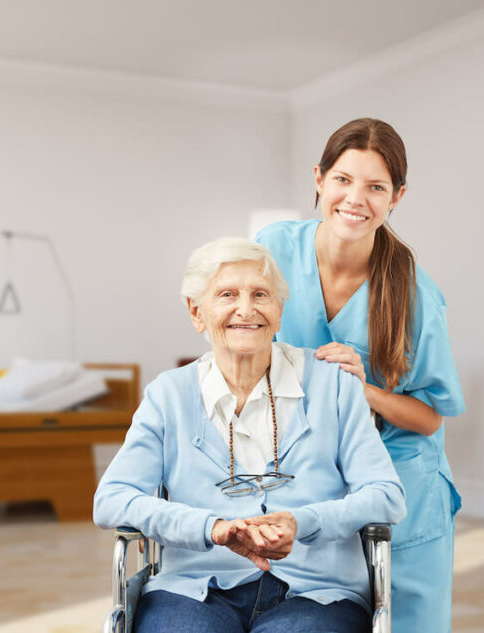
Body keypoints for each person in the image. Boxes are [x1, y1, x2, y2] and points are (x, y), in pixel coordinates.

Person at [93, 237, 405, 633]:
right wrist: (211, 527)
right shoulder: (167, 395)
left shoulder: (334, 385)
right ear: (196, 312)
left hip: (317, 592)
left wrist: (303, 521)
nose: (246, 309)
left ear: (278, 311)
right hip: (193, 589)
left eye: (261, 294)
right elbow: (111, 500)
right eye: (227, 295)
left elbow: (386, 495)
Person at [255, 117, 465, 633]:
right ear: (319, 179)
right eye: (344, 180)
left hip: (402, 484)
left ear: (397, 197)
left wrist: (365, 388)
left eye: (376, 187)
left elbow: (431, 418)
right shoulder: (273, 249)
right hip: (314, 475)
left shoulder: (413, 293)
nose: (356, 199)